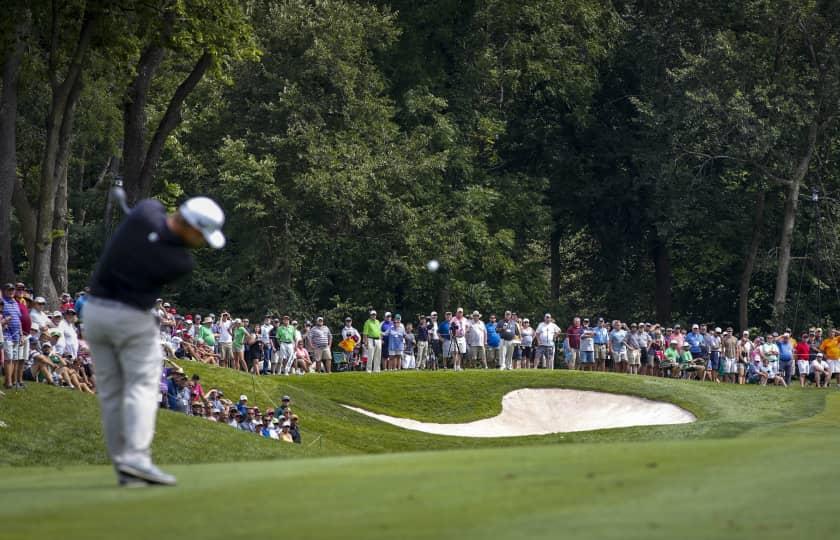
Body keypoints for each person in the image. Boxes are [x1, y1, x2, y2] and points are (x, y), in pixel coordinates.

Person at [85, 194, 225, 487]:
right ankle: (136, 458)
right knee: (143, 385)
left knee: (111, 391)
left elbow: (151, 213)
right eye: (201, 236)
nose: (200, 243)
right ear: (191, 227)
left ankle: (124, 466)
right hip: (132, 319)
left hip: (94, 312)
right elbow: (166, 243)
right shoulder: (179, 262)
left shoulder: (145, 212)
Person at [2, 283, 23, 389]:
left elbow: (18, 319)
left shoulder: (15, 302)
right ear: (4, 291)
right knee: (8, 358)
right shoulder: (2, 301)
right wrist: (4, 321)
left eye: (12, 290)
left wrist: (21, 334)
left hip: (16, 334)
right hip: (7, 334)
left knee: (14, 359)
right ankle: (9, 382)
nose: (11, 292)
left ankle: (10, 381)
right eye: (9, 290)